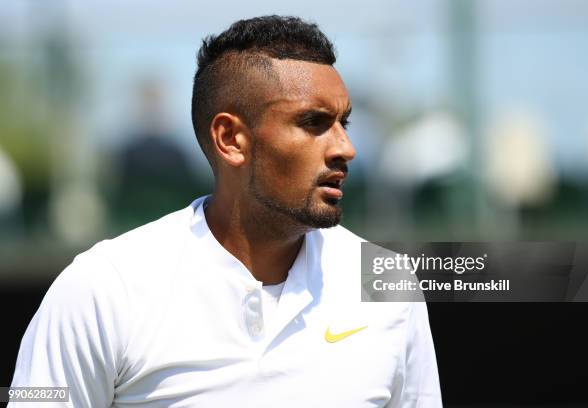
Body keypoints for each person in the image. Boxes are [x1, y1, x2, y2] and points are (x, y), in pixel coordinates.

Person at [10, 16, 442, 407]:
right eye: (313, 123)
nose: (345, 148)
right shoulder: (102, 288)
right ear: (230, 139)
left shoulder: (388, 281)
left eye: (342, 124)